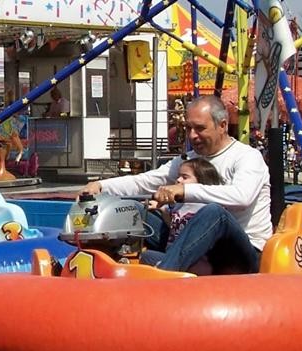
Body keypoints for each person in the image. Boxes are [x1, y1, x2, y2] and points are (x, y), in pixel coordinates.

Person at [81, 95, 271, 275]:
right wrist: (101, 186)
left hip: (240, 251)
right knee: (132, 210)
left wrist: (184, 190)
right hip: (198, 245)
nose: (192, 135)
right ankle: (101, 266)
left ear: (222, 126)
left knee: (215, 213)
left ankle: (165, 273)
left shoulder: (247, 157)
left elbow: (242, 197)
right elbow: (147, 180)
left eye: (200, 128)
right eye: (188, 128)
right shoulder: (189, 160)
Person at [145, 157, 222, 258]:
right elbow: (173, 225)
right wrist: (162, 209)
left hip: (190, 258)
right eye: (178, 176)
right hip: (171, 253)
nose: (178, 180)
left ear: (202, 180)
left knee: (147, 256)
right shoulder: (180, 203)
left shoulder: (205, 207)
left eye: (185, 177)